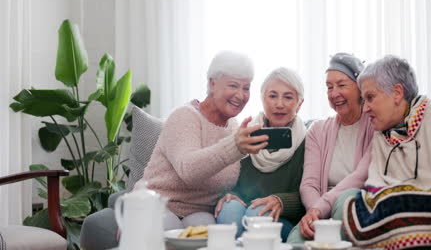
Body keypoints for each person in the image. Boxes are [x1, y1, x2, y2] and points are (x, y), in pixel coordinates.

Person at [342, 55, 431, 248]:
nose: (365, 108)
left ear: (397, 93)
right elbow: (376, 185)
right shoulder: (381, 135)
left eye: (370, 97)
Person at [138, 50, 269, 230]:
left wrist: (232, 194)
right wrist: (234, 147)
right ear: (212, 83)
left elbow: (230, 178)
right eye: (233, 85)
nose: (240, 95)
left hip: (199, 212)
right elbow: (189, 170)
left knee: (209, 235)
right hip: (157, 202)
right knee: (168, 230)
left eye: (246, 88)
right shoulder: (185, 116)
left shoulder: (234, 127)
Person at [287, 53, 374, 243]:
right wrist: (314, 214)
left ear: (360, 88)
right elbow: (308, 184)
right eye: (329, 87)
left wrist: (321, 208)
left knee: (347, 198)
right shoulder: (317, 130)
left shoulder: (376, 125)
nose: (334, 93)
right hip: (319, 210)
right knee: (295, 242)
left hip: (354, 210)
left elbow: (360, 177)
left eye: (342, 85)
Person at [215, 67, 307, 241]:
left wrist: (280, 200)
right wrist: (229, 193)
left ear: (299, 103)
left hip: (283, 219)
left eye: (288, 97)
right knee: (229, 208)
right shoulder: (246, 135)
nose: (279, 104)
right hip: (247, 208)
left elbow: (308, 195)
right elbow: (232, 179)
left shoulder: (309, 140)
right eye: (272, 96)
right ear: (263, 99)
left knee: (258, 213)